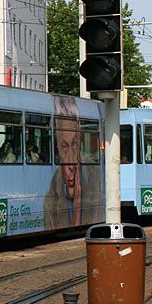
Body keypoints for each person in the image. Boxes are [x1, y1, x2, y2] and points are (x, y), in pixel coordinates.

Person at [43, 96, 102, 229]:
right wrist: (76, 212)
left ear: (80, 140)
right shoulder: (51, 197)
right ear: (57, 147)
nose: (71, 164)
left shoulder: (94, 175)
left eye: (74, 144)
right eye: (64, 146)